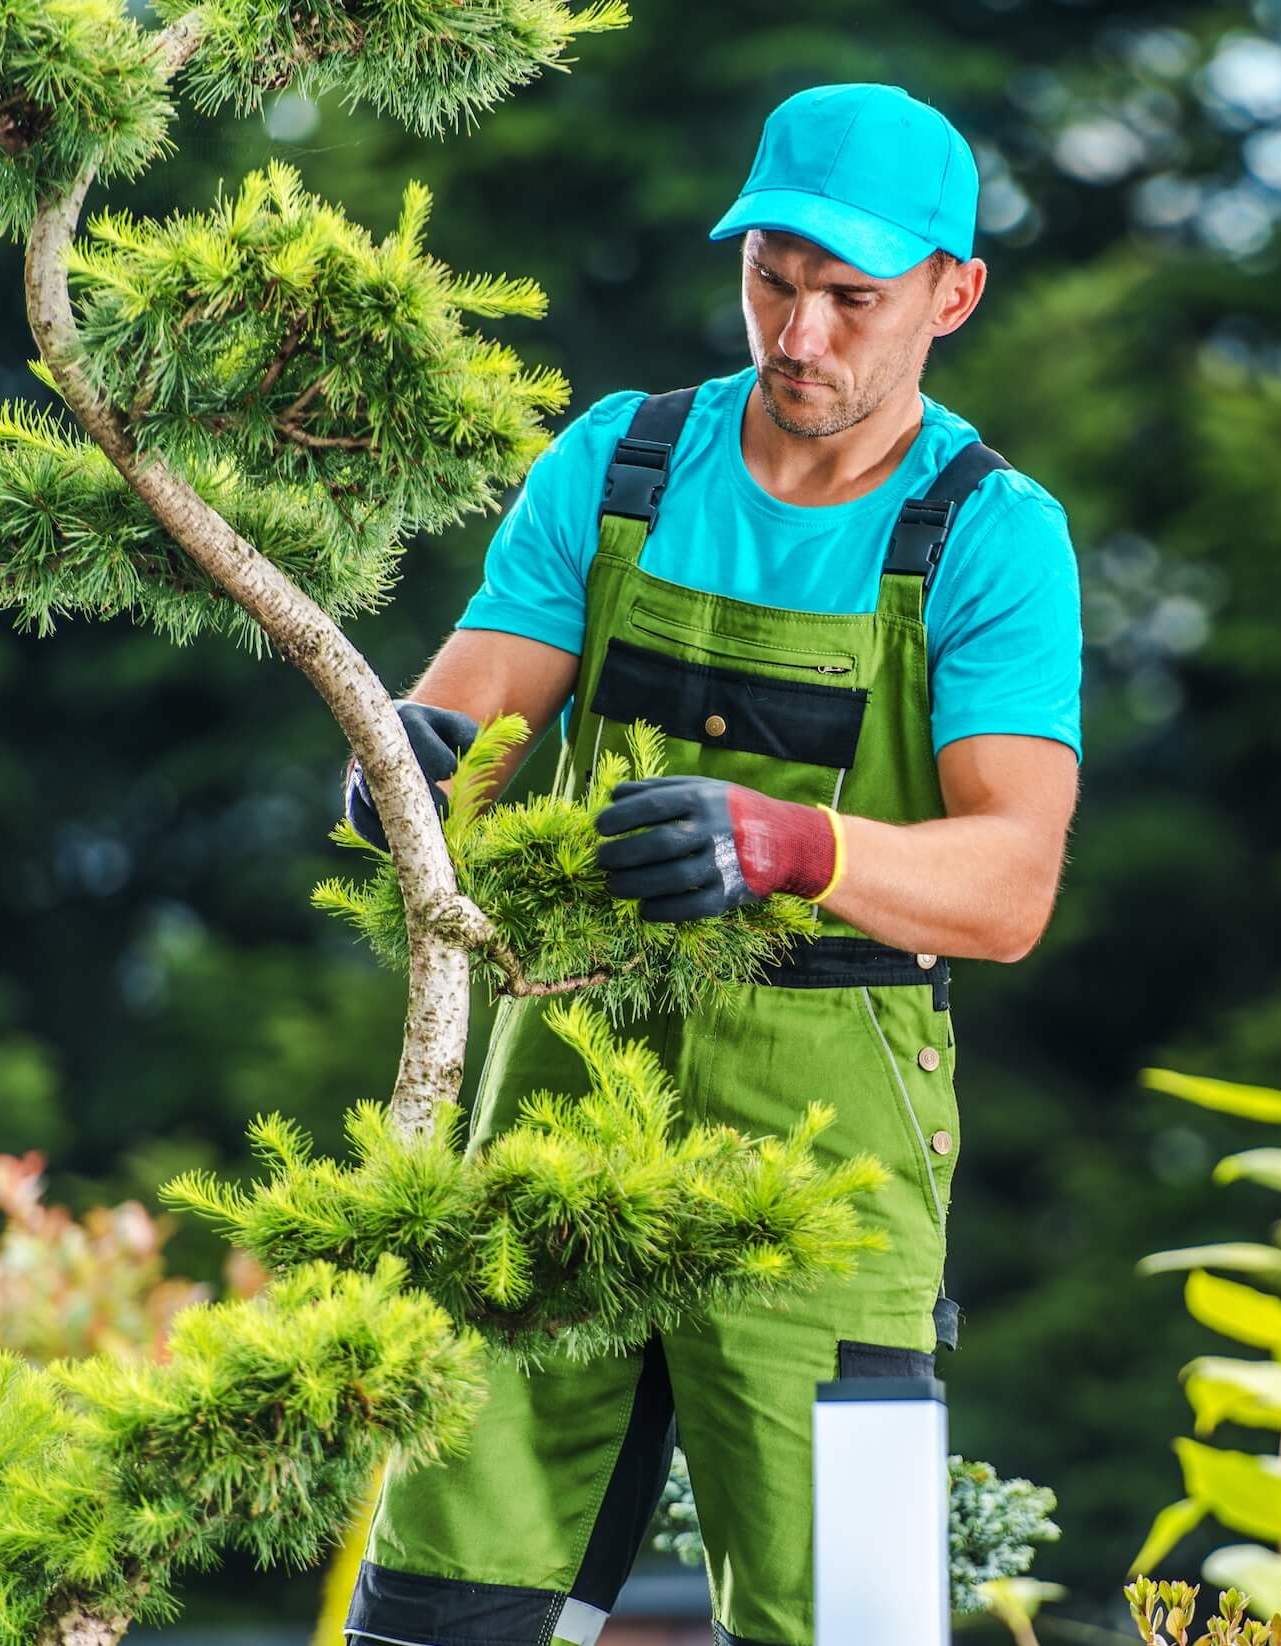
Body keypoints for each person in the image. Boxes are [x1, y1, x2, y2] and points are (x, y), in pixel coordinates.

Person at [342, 81, 1082, 1646]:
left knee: (857, 1624)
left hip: (833, 1176)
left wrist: (792, 844)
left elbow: (1011, 884)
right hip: (552, 1134)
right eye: (772, 281)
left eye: (850, 299)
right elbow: (460, 727)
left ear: (953, 294)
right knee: (440, 1613)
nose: (800, 336)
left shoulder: (993, 536)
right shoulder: (621, 462)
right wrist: (395, 766)